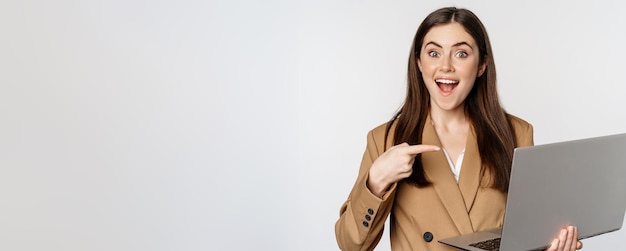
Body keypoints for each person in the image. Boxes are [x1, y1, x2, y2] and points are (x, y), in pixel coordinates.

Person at [335, 7, 583, 251]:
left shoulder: (516, 133)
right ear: (419, 62)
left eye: (461, 54)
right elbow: (351, 244)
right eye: (433, 53)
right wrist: (375, 182)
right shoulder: (386, 139)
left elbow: (528, 232)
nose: (445, 66)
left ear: (482, 65)